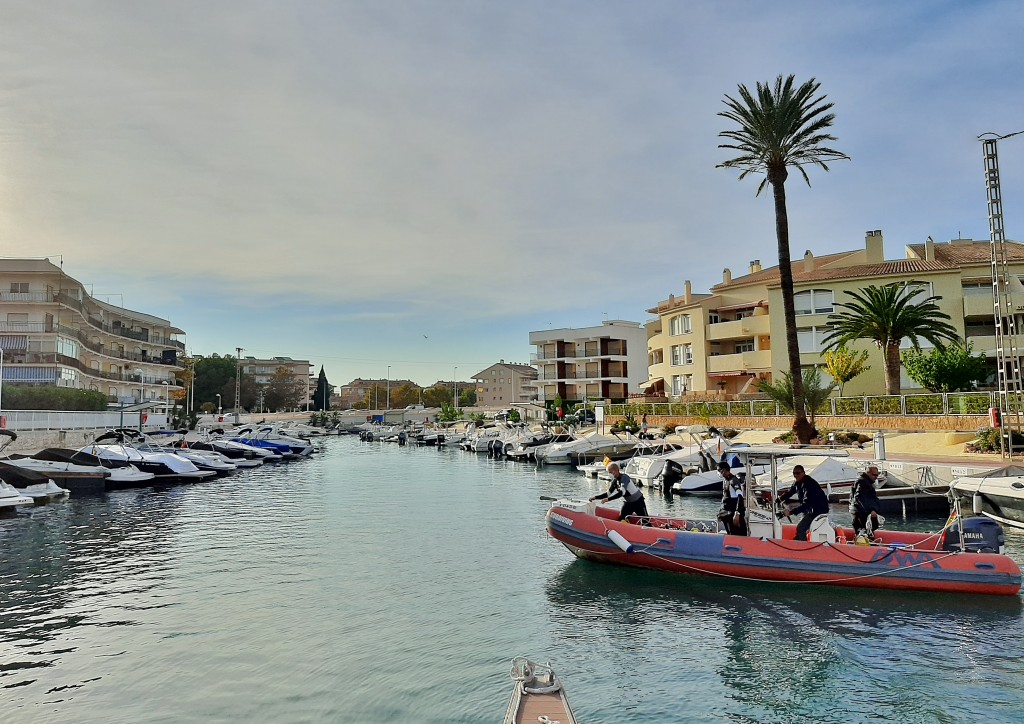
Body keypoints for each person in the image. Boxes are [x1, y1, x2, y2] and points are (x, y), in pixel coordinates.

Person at [777, 464, 829, 541]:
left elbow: (807, 504)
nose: (795, 475)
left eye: (798, 473)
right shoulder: (797, 483)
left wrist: (791, 512)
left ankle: (804, 548)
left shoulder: (810, 485)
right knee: (801, 527)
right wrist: (779, 499)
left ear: (803, 473)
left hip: (817, 511)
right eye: (794, 473)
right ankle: (797, 542)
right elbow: (790, 492)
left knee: (801, 527)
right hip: (809, 510)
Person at [851, 465, 882, 537]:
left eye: (877, 475)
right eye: (874, 475)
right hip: (860, 513)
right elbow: (859, 498)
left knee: (868, 530)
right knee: (864, 532)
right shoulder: (863, 483)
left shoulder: (866, 483)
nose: (876, 477)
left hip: (861, 512)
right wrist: (870, 510)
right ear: (868, 473)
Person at [717, 461, 746, 535]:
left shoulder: (733, 481)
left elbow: (740, 496)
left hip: (732, 513)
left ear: (723, 470)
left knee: (734, 533)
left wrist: (737, 513)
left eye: (718, 470)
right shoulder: (726, 480)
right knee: (729, 532)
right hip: (726, 512)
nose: (718, 472)